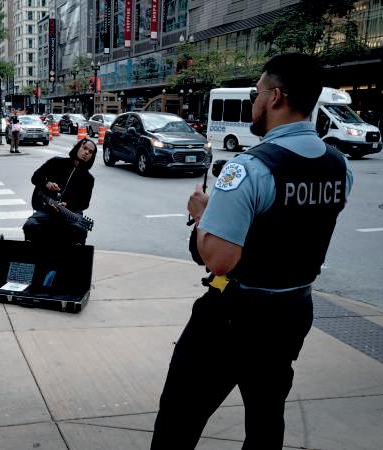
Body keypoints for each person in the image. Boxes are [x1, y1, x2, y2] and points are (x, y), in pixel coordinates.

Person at [150, 53, 353, 449]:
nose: (252, 101)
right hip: (293, 310)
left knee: (180, 417)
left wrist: (202, 216)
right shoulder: (338, 166)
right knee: (265, 418)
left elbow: (217, 259)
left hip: (234, 315)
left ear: (275, 97)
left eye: (255, 93)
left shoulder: (250, 169)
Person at [23, 138, 96, 245]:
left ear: (92, 157)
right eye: (84, 148)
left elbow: (84, 203)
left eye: (90, 152)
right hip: (47, 209)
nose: (86, 152)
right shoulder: (56, 162)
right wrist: (47, 184)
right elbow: (35, 177)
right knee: (30, 225)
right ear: (77, 148)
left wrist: (68, 204)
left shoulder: (88, 179)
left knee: (80, 231)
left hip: (71, 212)